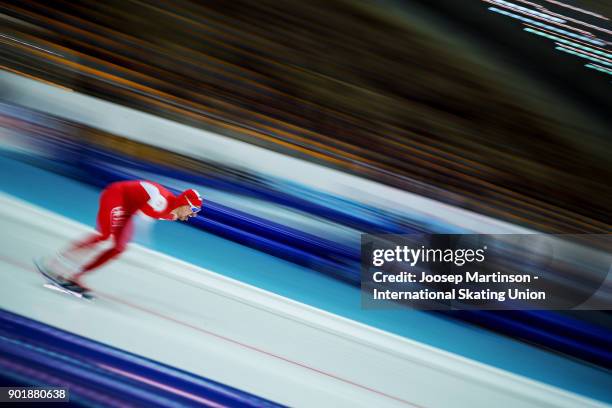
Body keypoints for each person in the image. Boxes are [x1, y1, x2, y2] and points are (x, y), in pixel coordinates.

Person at [42, 180, 203, 295]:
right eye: (193, 209)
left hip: (129, 209)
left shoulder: (173, 215)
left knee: (119, 248)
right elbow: (143, 221)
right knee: (105, 235)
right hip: (116, 195)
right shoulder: (161, 200)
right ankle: (56, 262)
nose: (193, 214)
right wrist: (147, 245)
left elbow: (140, 217)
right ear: (185, 203)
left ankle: (75, 276)